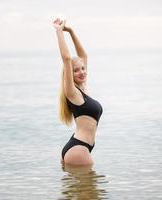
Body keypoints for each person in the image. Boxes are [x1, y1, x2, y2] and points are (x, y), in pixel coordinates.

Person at [53, 18, 103, 166]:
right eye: (76, 70)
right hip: (78, 149)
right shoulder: (72, 92)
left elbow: (83, 56)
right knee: (91, 189)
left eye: (83, 68)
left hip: (78, 147)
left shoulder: (82, 90)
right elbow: (67, 59)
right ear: (69, 74)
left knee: (85, 189)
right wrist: (59, 32)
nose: (82, 72)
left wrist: (71, 31)